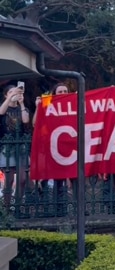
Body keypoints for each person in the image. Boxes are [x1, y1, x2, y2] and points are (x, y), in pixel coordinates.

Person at [34, 82, 70, 216]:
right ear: (54, 93)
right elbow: (35, 123)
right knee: (54, 177)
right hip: (51, 146)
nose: (63, 93)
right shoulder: (48, 101)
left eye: (65, 91)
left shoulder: (73, 103)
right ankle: (50, 208)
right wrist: (39, 106)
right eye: (60, 91)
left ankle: (64, 208)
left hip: (68, 146)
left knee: (70, 177)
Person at [0, 83, 31, 214]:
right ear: (5, 95)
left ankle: (17, 205)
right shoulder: (4, 108)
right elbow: (0, 112)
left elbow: (25, 121)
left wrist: (22, 104)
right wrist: (9, 99)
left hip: (21, 147)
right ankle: (6, 208)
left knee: (23, 178)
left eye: (16, 92)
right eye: (11, 92)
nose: (14, 94)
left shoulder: (22, 109)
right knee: (9, 179)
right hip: (7, 147)